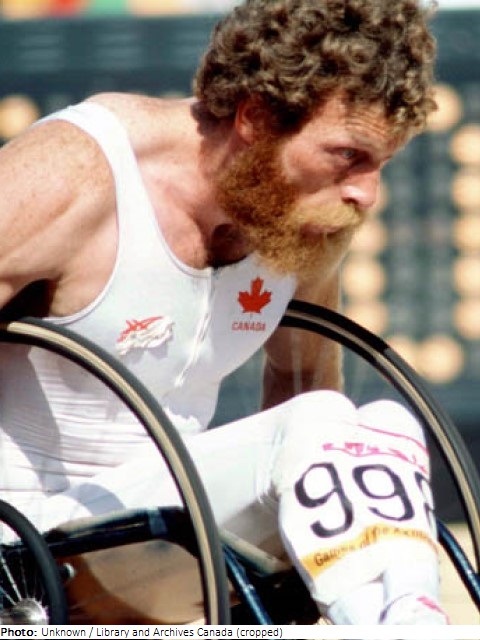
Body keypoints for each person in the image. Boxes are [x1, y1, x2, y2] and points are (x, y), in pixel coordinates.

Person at [0, 0, 448, 626]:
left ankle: (410, 624)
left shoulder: (299, 215)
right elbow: (308, 421)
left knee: (383, 425)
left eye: (382, 163)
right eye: (348, 155)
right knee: (320, 420)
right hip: (24, 554)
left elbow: (302, 391)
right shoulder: (76, 172)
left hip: (165, 545)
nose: (366, 193)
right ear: (255, 118)